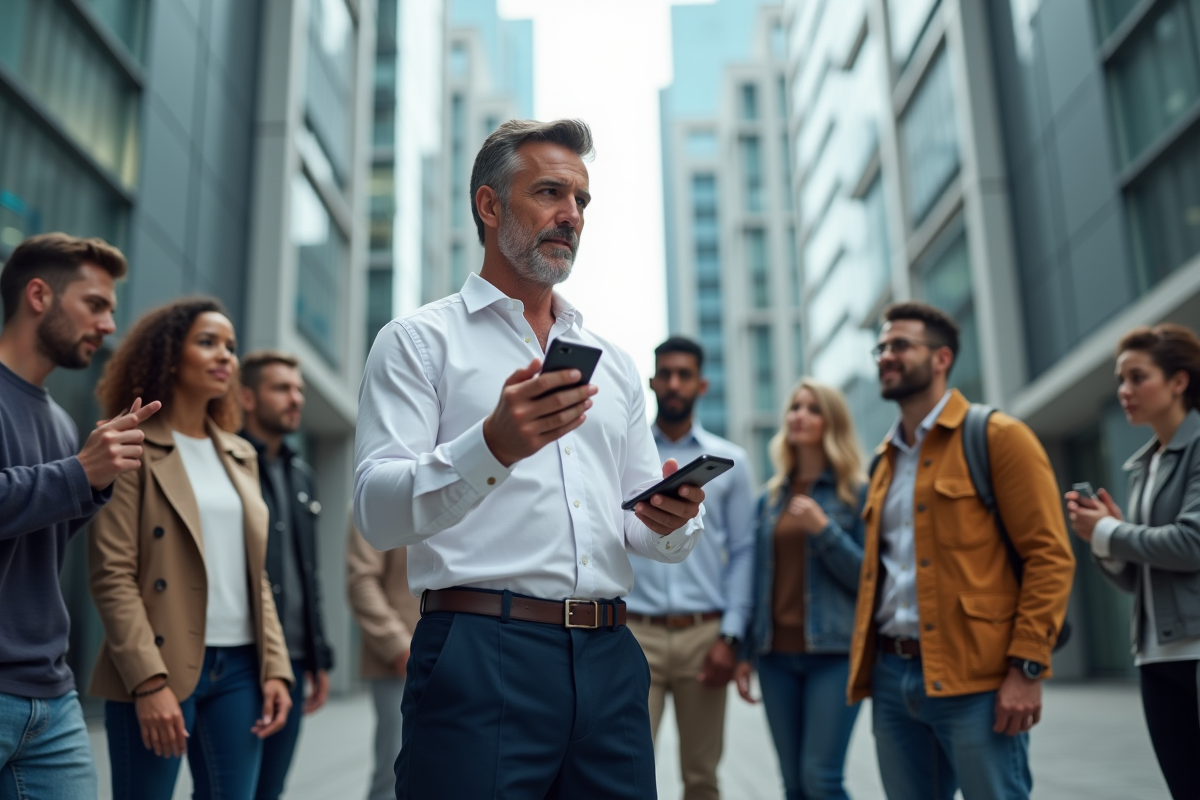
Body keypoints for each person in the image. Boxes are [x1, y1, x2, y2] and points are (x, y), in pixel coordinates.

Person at [354, 118, 706, 800]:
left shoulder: (615, 365)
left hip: (611, 659)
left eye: (581, 200)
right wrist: (493, 446)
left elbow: (640, 531)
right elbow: (376, 514)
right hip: (479, 652)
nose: (571, 215)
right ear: (489, 206)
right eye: (549, 192)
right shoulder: (418, 342)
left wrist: (672, 520)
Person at [847, 302, 1075, 800]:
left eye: (900, 345)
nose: (886, 356)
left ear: (942, 358)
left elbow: (1049, 557)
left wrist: (1027, 668)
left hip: (978, 680)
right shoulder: (882, 463)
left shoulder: (998, 436)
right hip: (892, 677)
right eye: (881, 348)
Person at [89, 297, 294, 800]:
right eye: (207, 342)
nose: (225, 355)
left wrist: (276, 667)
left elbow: (255, 574)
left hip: (241, 667)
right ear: (168, 356)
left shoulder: (240, 453)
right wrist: (147, 682)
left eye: (230, 346)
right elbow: (112, 574)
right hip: (158, 662)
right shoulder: (130, 443)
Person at [0, 233, 159, 799]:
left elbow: (41, 541)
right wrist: (78, 473)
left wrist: (96, 480)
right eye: (95, 305)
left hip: (51, 692)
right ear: (38, 295)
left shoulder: (63, 422)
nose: (108, 325)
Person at [1065, 323, 1200, 800]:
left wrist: (1110, 532)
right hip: (1154, 655)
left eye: (1137, 377)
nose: (1125, 390)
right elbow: (1138, 578)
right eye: (1121, 380)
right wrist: (1105, 539)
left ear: (1178, 381)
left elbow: (1192, 542)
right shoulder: (1144, 466)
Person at [624, 336, 754, 800]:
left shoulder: (732, 462)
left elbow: (743, 551)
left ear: (702, 385)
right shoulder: (630, 454)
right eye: (666, 374)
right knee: (627, 772)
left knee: (702, 778)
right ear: (652, 382)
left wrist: (731, 636)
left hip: (704, 636)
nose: (674, 384)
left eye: (685, 375)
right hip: (636, 635)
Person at [733, 378, 865, 800]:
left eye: (812, 408)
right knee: (792, 784)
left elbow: (868, 579)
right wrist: (744, 652)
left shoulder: (855, 494)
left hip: (834, 654)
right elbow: (756, 580)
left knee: (820, 779)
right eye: (794, 407)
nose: (799, 416)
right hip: (775, 657)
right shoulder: (769, 500)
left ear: (832, 422)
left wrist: (824, 530)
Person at [237, 350, 335, 800]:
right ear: (247, 398)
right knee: (232, 790)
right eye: (281, 388)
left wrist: (318, 655)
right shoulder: (231, 465)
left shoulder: (302, 475)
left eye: (298, 389)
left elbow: (308, 572)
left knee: (271, 789)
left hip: (294, 660)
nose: (295, 398)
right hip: (242, 655)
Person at [346, 522, 420, 800]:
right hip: (401, 662)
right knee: (394, 773)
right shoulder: (375, 499)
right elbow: (361, 580)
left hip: (464, 653)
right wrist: (397, 646)